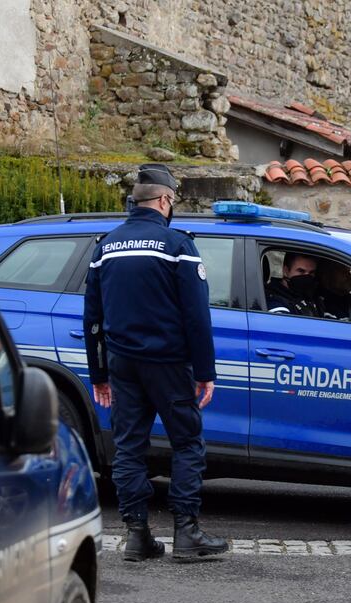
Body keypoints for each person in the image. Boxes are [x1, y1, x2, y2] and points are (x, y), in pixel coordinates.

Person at [83, 163, 228, 562]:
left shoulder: (105, 247)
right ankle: (187, 532)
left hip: (122, 364)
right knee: (187, 442)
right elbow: (196, 316)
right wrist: (205, 372)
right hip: (168, 363)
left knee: (129, 447)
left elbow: (92, 318)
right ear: (164, 200)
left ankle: (137, 535)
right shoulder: (177, 246)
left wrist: (99, 374)